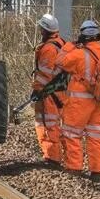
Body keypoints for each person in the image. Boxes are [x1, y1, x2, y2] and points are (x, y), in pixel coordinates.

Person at [55, 19, 100, 181]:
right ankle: (96, 171)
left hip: (81, 102)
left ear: (83, 36)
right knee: (96, 134)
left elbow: (60, 61)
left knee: (72, 133)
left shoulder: (78, 54)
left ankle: (74, 168)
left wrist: (71, 45)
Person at [31, 13, 66, 166]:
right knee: (55, 125)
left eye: (41, 29)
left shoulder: (49, 49)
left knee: (48, 125)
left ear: (45, 30)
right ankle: (56, 156)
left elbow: (44, 75)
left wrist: (37, 91)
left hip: (49, 94)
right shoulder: (61, 44)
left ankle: (52, 158)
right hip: (60, 93)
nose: (39, 32)